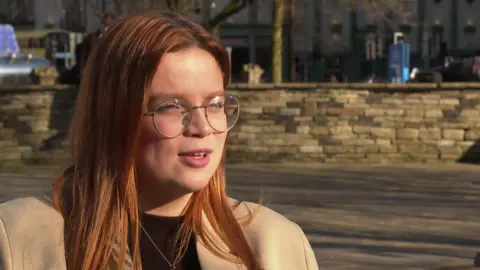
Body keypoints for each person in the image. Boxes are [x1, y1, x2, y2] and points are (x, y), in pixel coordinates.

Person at [0, 12, 318, 270]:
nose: (202, 127)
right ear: (113, 116)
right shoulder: (18, 239)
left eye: (215, 104)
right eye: (171, 106)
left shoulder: (276, 243)